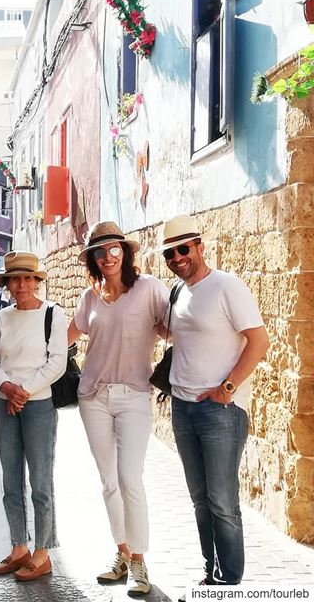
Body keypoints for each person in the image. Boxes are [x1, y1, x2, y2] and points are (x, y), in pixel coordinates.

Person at [160, 214, 269, 588]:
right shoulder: (177, 292)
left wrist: (228, 388)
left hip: (220, 410)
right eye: (170, 254)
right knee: (200, 498)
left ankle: (229, 580)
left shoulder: (227, 286)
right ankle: (212, 572)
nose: (177, 258)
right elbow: (173, 334)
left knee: (222, 499)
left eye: (183, 249)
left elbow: (259, 341)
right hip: (183, 407)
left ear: (200, 246)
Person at [68, 221, 168, 596]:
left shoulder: (149, 289)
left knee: (130, 478)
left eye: (114, 249)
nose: (108, 257)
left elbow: (175, 328)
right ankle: (122, 553)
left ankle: (140, 562)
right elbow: (66, 336)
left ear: (125, 253)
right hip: (92, 396)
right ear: (93, 258)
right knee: (109, 480)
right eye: (100, 251)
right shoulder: (89, 297)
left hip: (134, 395)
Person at [0, 251, 67, 582]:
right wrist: (7, 386)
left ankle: (43, 552)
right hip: (7, 404)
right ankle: (19, 547)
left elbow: (57, 362)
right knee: (10, 480)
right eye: (14, 279)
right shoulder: (2, 318)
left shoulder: (52, 315)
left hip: (38, 406)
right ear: (7, 284)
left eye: (27, 278)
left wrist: (23, 391)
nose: (20, 284)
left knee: (40, 482)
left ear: (36, 282)